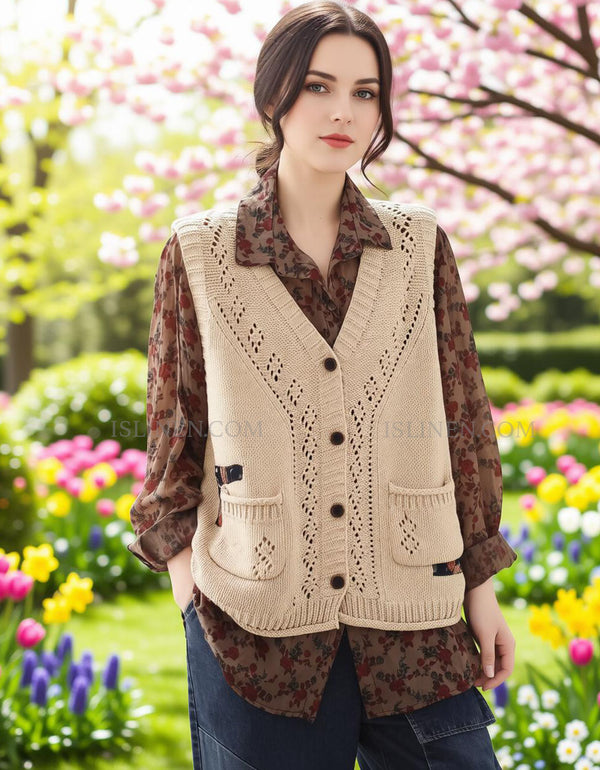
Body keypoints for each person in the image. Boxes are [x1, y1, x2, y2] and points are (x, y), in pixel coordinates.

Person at [127, 2, 519, 768]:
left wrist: (481, 586)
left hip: (416, 619)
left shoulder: (418, 246)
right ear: (274, 96)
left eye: (367, 92)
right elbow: (176, 437)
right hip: (255, 629)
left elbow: (464, 421)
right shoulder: (201, 252)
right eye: (318, 86)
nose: (344, 112)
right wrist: (190, 594)